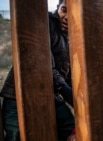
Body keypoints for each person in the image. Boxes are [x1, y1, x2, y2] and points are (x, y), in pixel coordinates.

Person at [0, 0, 75, 140]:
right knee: (15, 134)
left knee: (69, 128)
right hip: (18, 95)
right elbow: (46, 64)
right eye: (64, 10)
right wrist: (66, 90)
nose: (67, 16)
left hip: (49, 96)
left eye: (72, 13)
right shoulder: (47, 24)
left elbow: (68, 73)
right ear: (58, 8)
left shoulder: (71, 38)